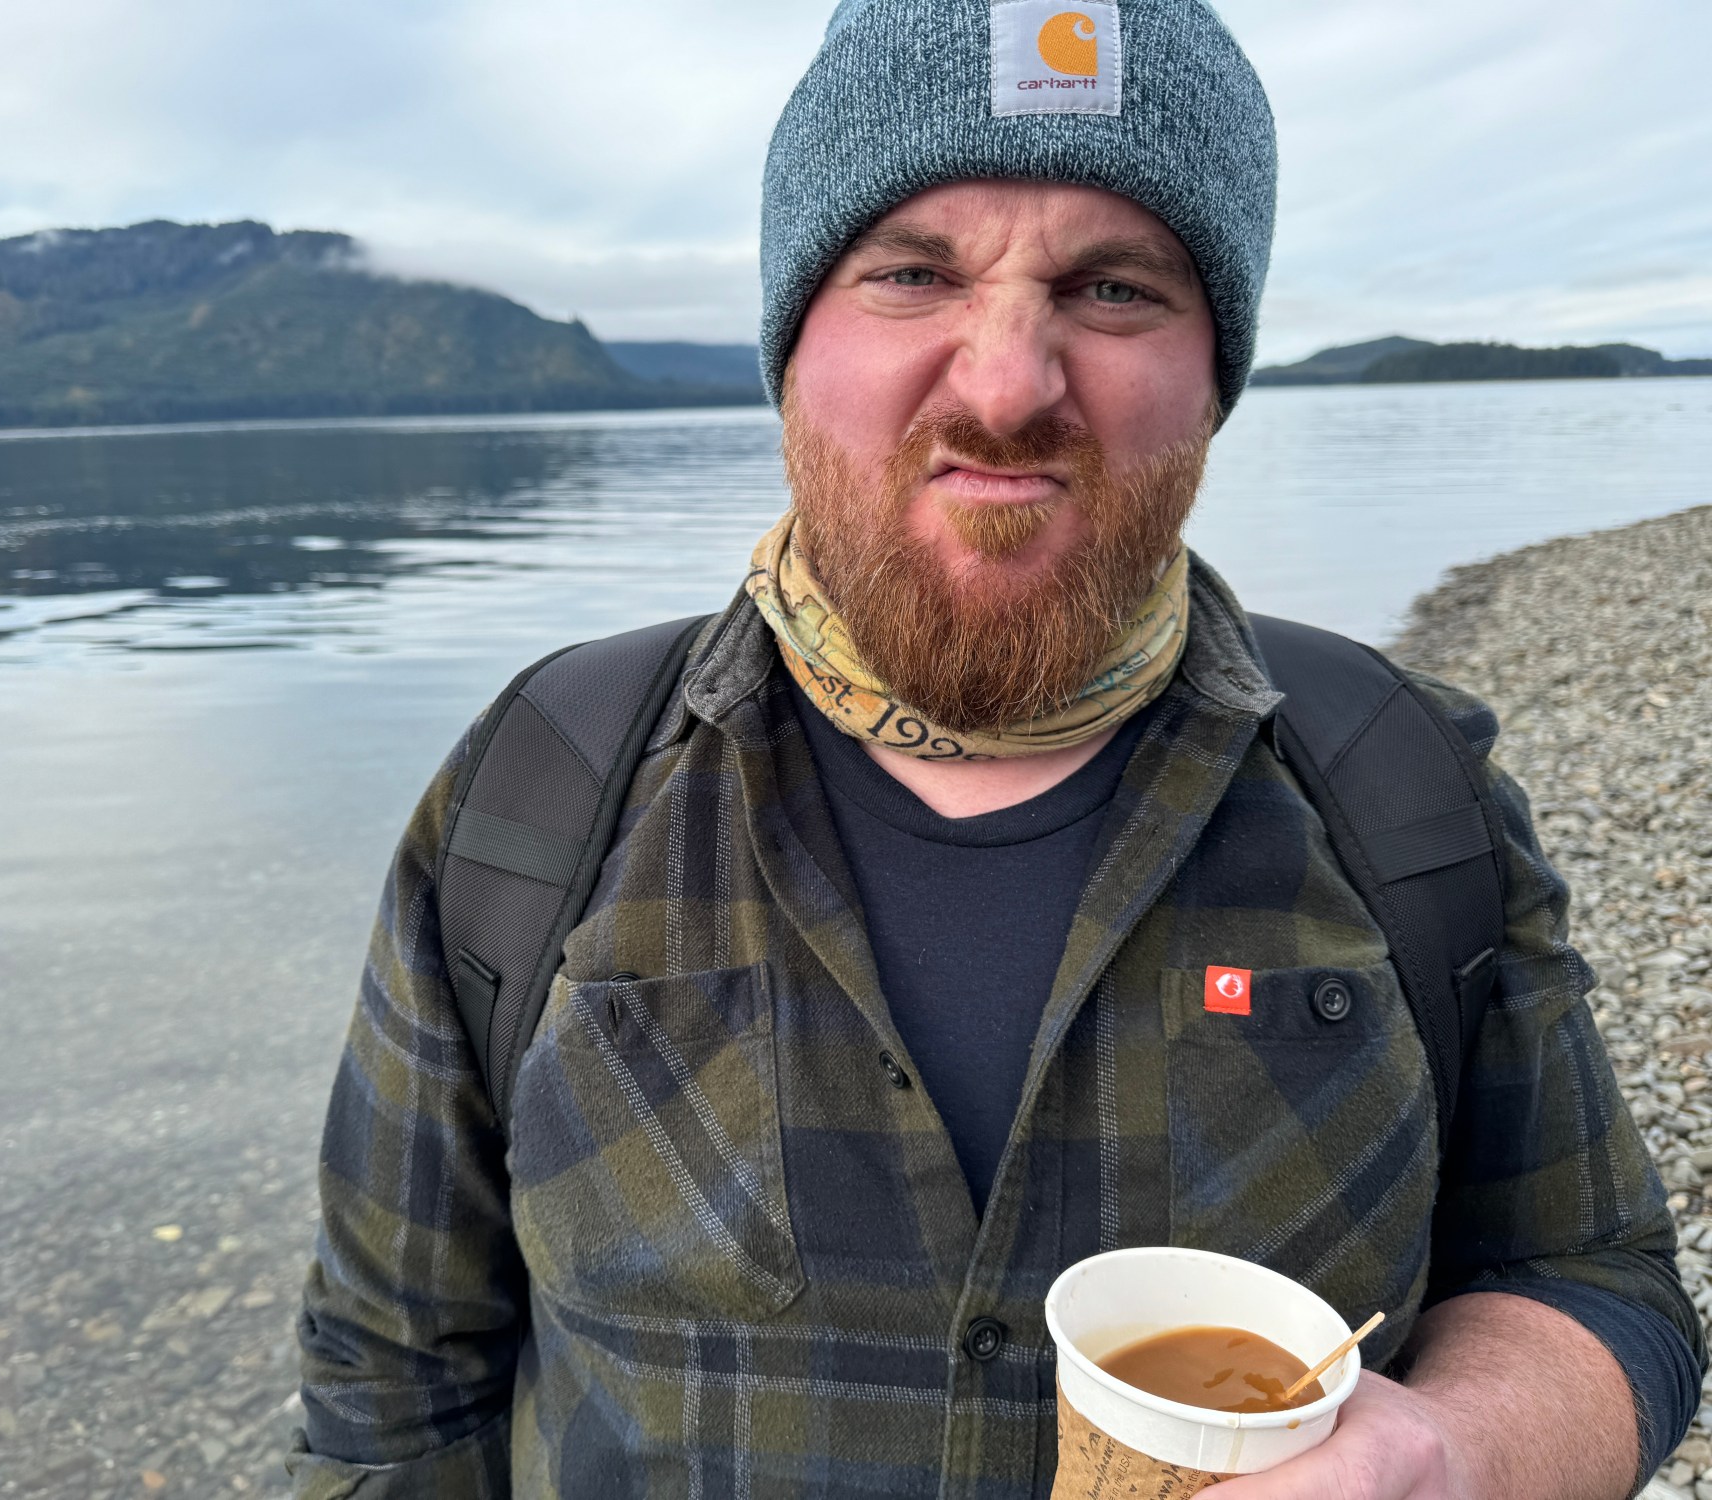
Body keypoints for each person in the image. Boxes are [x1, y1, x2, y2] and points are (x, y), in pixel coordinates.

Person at [288, 1, 1706, 1495]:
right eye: (912, 274)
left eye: (1114, 288)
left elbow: (1600, 1279)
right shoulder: (542, 789)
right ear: (791, 347)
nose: (1007, 386)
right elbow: (389, 1392)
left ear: (1215, 373)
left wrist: (1463, 1449)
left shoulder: (1397, 786)